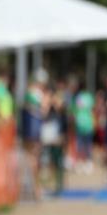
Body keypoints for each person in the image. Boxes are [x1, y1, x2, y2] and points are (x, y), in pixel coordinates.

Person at [20, 68, 49, 201]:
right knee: (33, 158)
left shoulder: (29, 92)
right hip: (33, 129)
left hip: (29, 129)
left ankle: (30, 186)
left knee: (28, 157)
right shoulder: (38, 94)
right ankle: (35, 189)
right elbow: (44, 111)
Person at [41, 82, 68, 196]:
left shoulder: (60, 106)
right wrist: (46, 104)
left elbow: (63, 116)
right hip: (48, 136)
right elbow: (43, 115)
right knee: (48, 160)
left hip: (58, 136)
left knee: (58, 160)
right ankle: (50, 184)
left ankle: (59, 184)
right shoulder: (48, 106)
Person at [72, 80, 95, 174]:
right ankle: (85, 163)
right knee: (86, 145)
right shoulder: (88, 97)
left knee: (81, 145)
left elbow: (73, 111)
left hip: (82, 124)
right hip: (86, 124)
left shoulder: (78, 97)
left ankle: (83, 163)